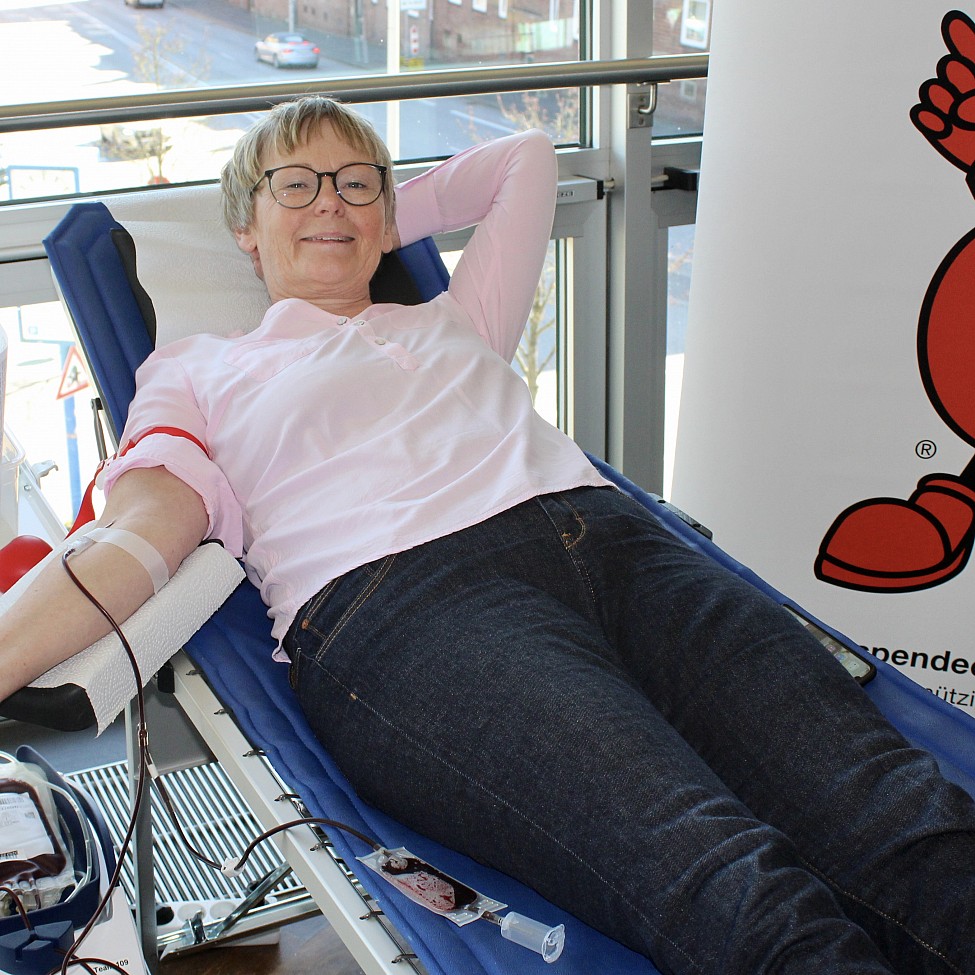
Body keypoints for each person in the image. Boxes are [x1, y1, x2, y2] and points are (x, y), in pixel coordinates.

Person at [1, 95, 974, 975]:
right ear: (243, 228)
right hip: (409, 607)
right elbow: (142, 529)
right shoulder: (202, 368)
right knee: (734, 883)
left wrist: (366, 220)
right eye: (291, 186)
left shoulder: (453, 320)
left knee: (899, 820)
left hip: (626, 551)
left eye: (356, 183)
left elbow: (523, 158)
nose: (328, 202)